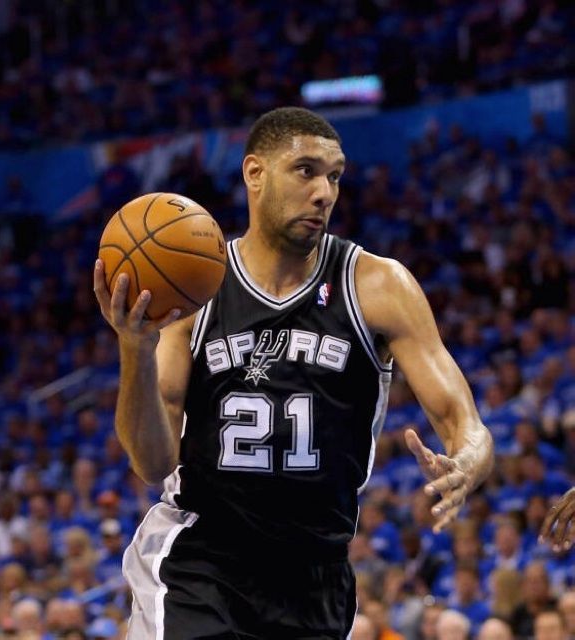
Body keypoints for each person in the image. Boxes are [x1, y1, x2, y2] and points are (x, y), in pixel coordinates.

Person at [93, 106, 494, 639]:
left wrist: (466, 464)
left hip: (316, 577)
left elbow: (466, 424)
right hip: (203, 563)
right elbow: (151, 463)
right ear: (254, 173)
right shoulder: (195, 289)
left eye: (335, 176)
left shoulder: (378, 285)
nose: (324, 192)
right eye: (306, 170)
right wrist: (135, 350)